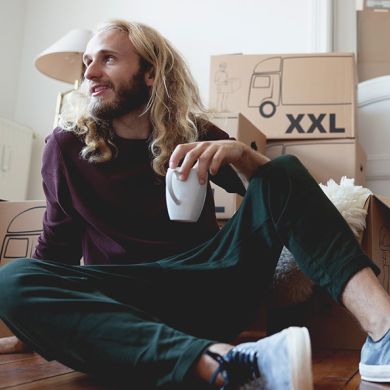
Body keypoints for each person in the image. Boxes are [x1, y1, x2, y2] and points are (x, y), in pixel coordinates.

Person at [0, 19, 390, 390]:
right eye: (88, 62)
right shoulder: (65, 147)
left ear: (150, 73)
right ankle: (226, 363)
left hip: (210, 286)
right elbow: (58, 244)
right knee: (12, 280)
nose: (90, 72)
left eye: (108, 58)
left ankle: (384, 329)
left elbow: (278, 193)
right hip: (125, 305)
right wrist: (26, 323)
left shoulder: (192, 132)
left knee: (282, 170)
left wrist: (241, 154)